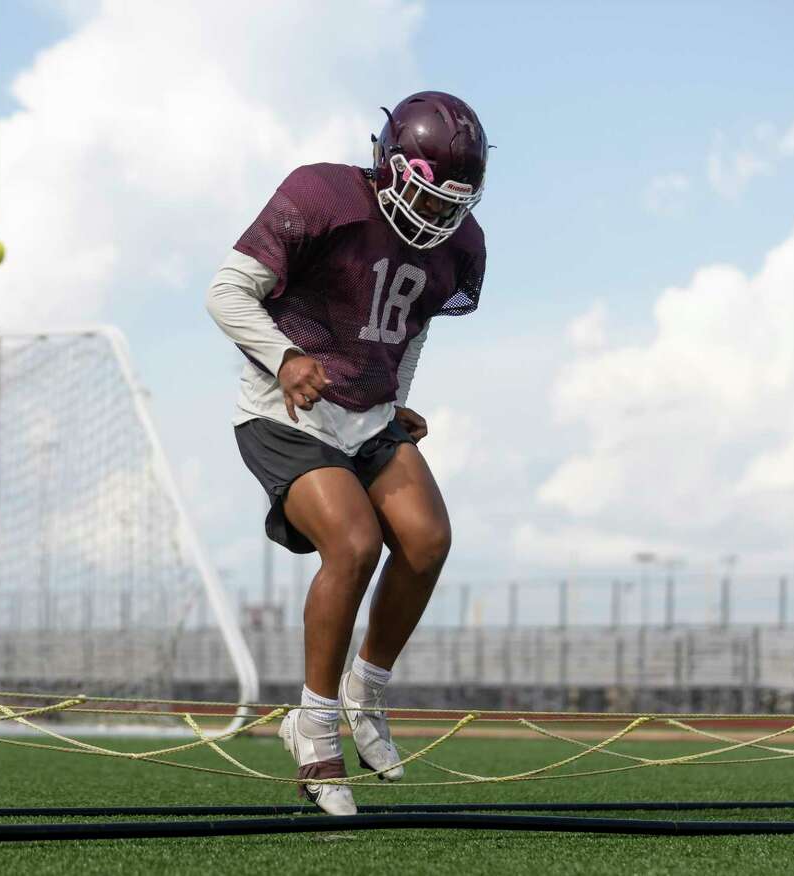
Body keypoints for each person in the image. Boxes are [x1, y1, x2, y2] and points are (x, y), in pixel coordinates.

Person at [205, 91, 488, 815]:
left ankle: (368, 696)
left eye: (448, 204)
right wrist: (284, 356)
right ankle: (314, 722)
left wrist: (394, 396)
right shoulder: (323, 194)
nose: (434, 219)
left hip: (367, 415)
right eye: (424, 198)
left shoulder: (461, 246)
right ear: (386, 165)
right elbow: (227, 293)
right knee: (356, 545)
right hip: (286, 411)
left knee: (427, 540)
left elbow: (412, 327)